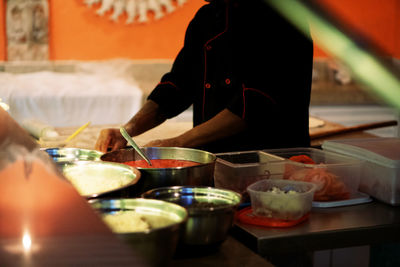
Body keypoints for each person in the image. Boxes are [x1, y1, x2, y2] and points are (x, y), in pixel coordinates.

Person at [95, 0, 314, 154]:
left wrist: (179, 142)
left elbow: (255, 103)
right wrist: (127, 131)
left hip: (274, 166)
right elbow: (177, 85)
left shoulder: (284, 16)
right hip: (216, 161)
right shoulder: (207, 17)